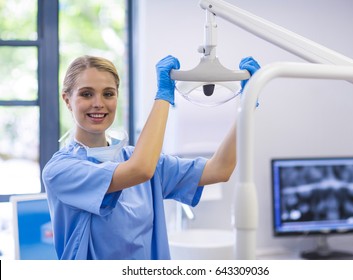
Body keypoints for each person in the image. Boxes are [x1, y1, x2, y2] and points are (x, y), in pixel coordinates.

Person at [42, 54, 260, 260]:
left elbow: (219, 169)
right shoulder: (61, 170)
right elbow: (140, 170)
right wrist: (163, 95)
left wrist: (247, 106)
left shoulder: (135, 158)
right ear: (67, 100)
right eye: (86, 94)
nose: (98, 103)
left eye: (108, 93)